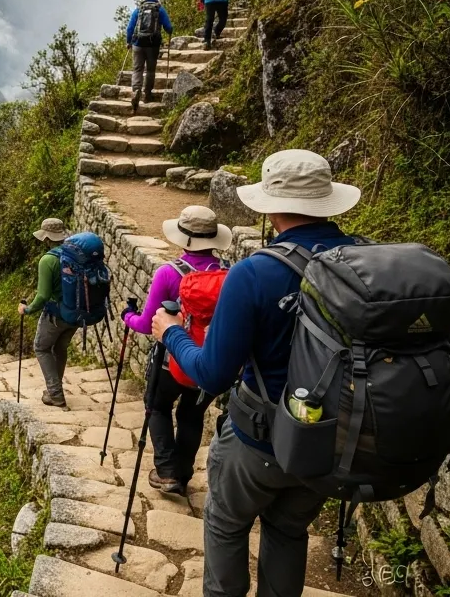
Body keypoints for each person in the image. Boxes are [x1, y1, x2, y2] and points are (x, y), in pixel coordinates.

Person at [151, 149, 361, 597]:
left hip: (260, 438)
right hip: (330, 440)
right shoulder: (363, 260)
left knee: (226, 523)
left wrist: (171, 333)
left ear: (271, 206)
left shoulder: (255, 274)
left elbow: (211, 374)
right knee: (288, 529)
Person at [122, 206, 232, 496]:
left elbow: (147, 324)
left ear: (183, 239)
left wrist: (127, 317)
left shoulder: (169, 274)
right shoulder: (230, 276)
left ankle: (167, 472)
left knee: (157, 406)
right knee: (191, 417)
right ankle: (182, 475)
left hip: (172, 362)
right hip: (210, 362)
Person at [18, 217, 74, 407]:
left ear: (47, 238)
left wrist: (28, 309)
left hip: (56, 314)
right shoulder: (74, 254)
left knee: (41, 347)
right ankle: (54, 388)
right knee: (59, 348)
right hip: (77, 313)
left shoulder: (48, 260)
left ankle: (55, 393)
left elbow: (42, 296)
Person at [125, 0, 174, 112]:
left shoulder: (138, 10)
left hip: (138, 44)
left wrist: (128, 42)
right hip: (153, 45)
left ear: (144, 0)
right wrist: (169, 31)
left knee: (137, 69)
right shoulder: (159, 9)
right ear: (156, 0)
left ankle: (136, 90)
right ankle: (147, 95)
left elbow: (130, 28)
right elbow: (169, 27)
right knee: (150, 70)